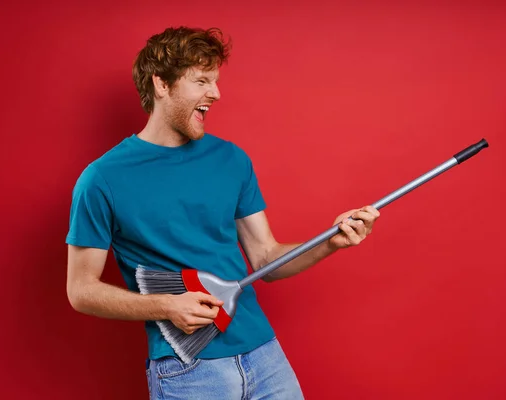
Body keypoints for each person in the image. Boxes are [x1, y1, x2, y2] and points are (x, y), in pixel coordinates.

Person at [65, 26, 380, 399]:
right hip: (188, 369)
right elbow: (81, 290)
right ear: (162, 84)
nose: (215, 93)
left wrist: (332, 242)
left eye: (214, 81)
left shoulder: (231, 159)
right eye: (202, 81)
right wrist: (165, 304)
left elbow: (267, 258)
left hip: (264, 356)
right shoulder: (102, 179)